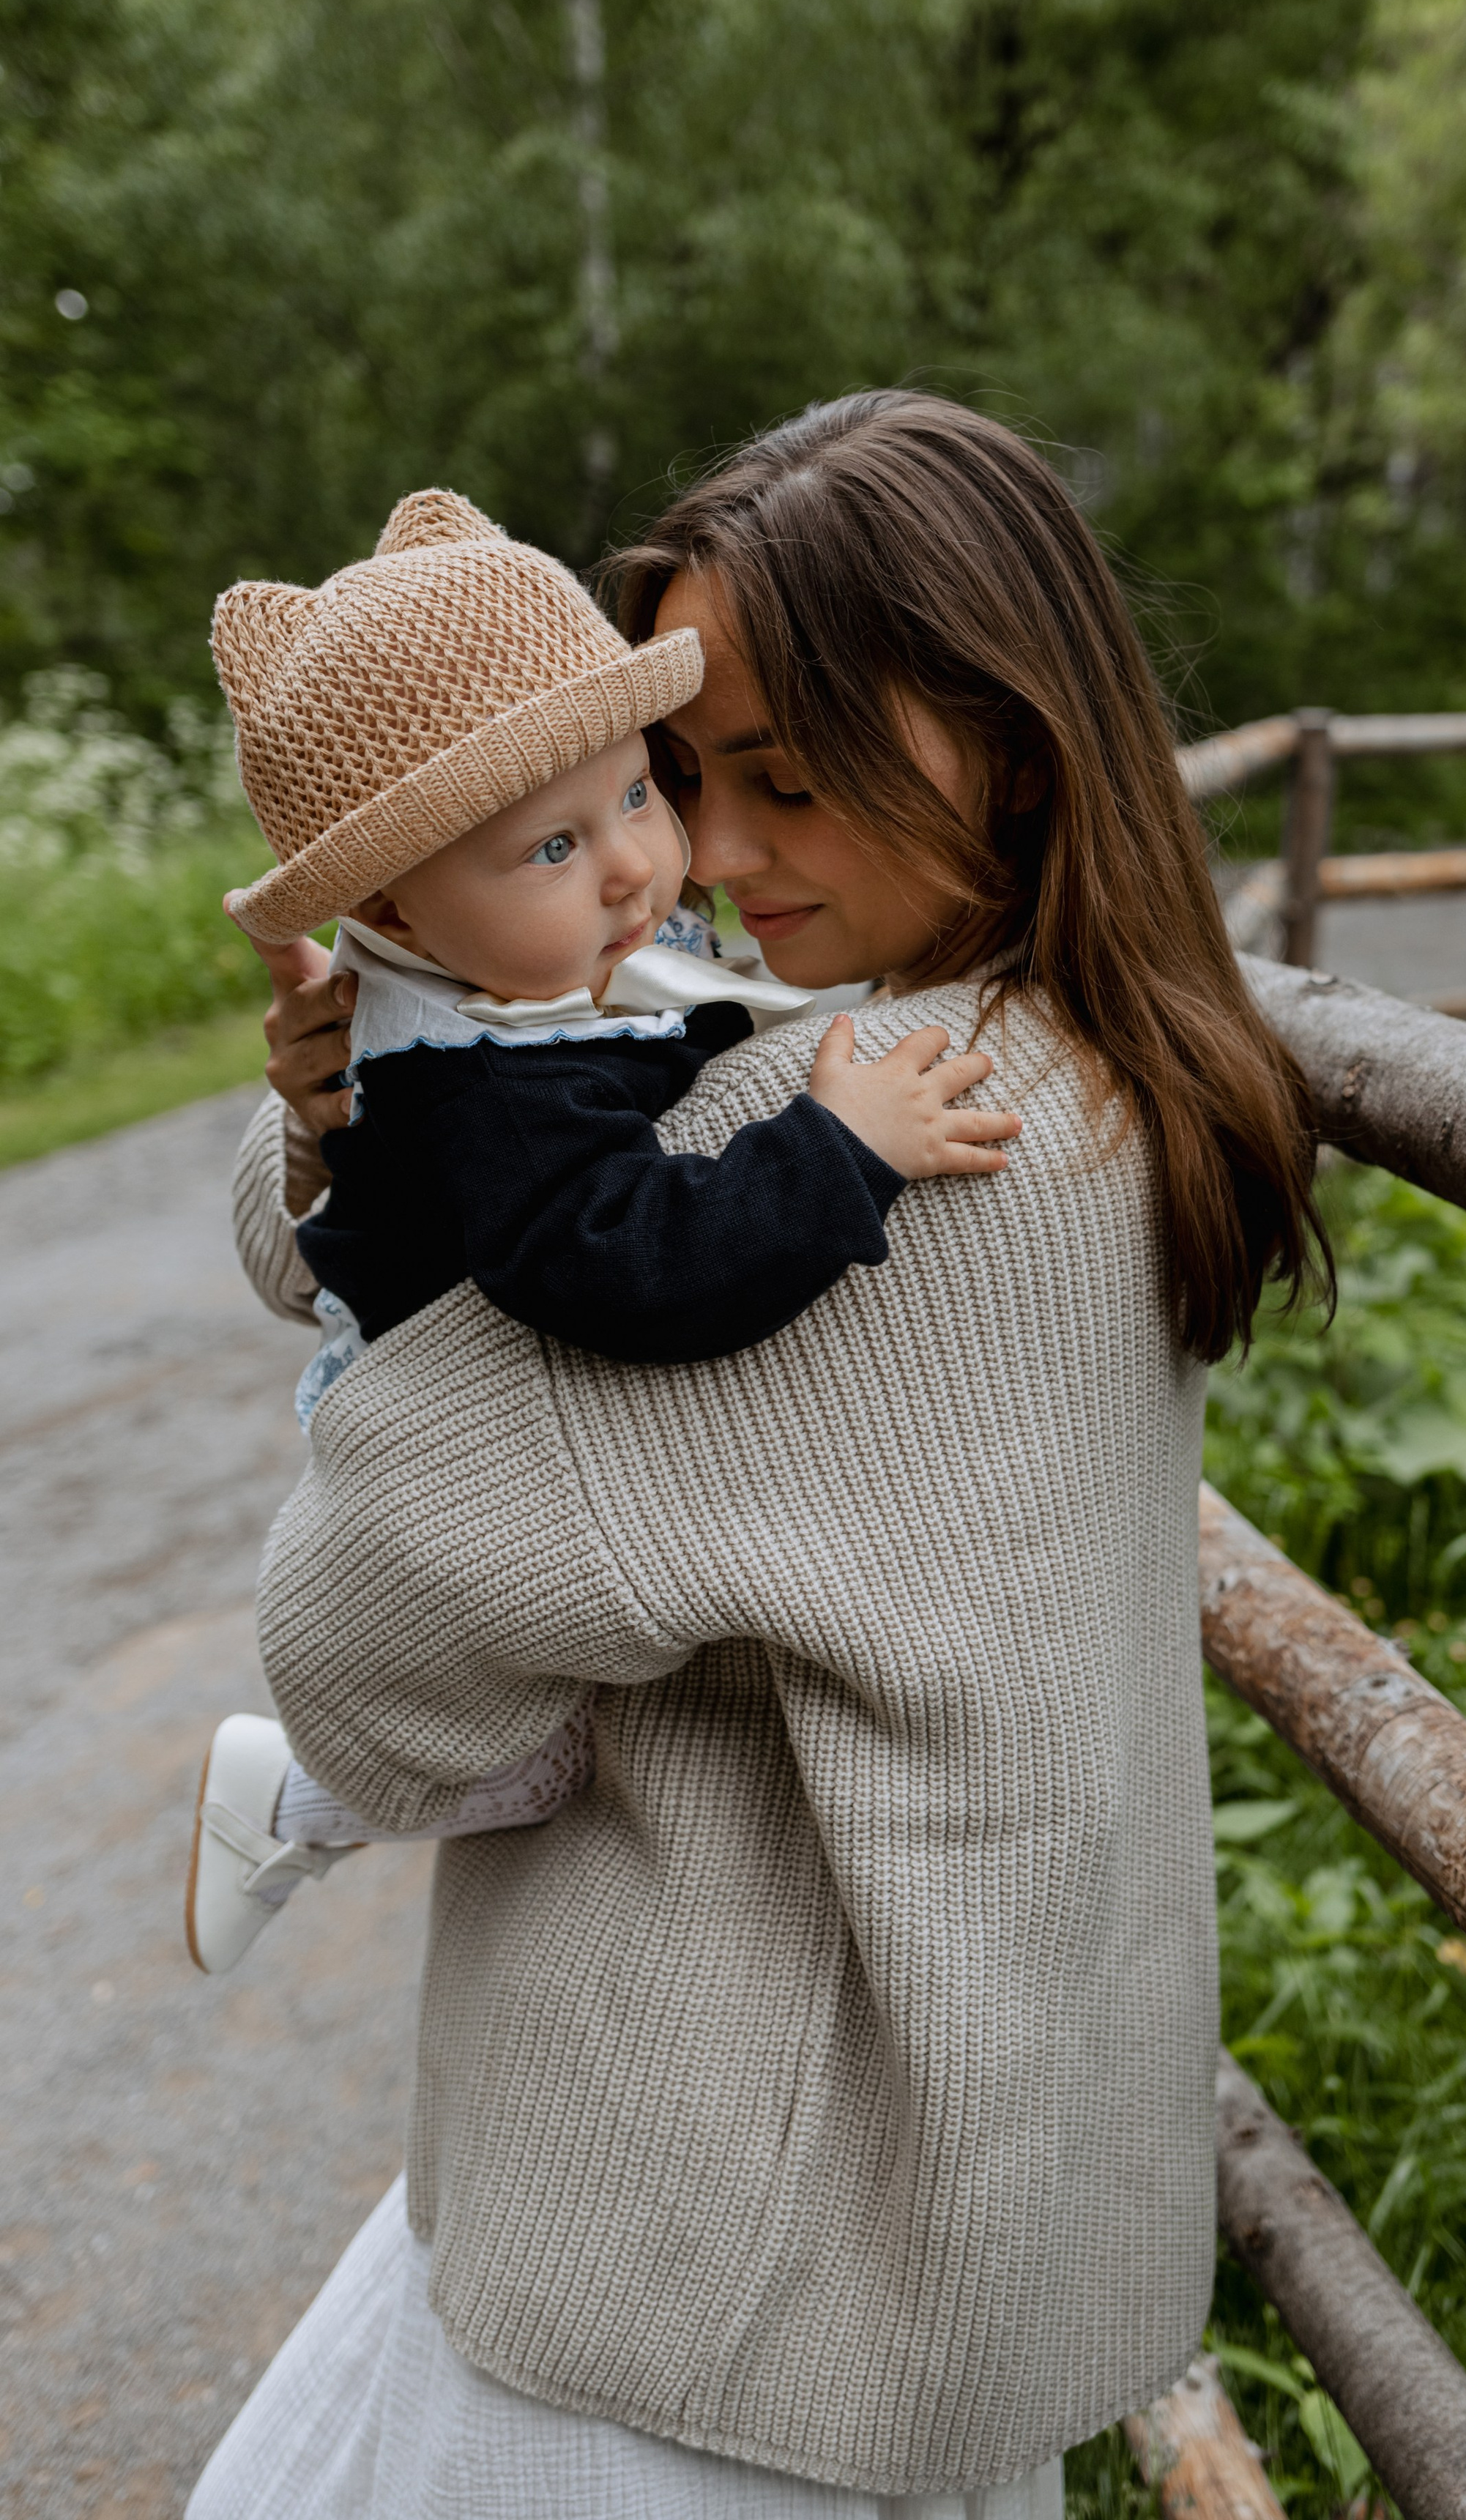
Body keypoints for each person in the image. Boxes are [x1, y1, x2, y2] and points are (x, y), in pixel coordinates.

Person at [188, 391, 1325, 2520]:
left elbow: (357, 1653)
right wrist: (358, 1079)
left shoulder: (899, 1143)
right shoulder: (1092, 1059)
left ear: (1006, 733)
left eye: (788, 785)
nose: (700, 861)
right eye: (682, 779)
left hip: (707, 2255)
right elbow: (315, 1229)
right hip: (904, 2224)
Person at [184, 485, 1014, 1979]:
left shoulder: (495, 986)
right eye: (551, 849)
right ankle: (298, 1792)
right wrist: (841, 1147)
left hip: (441, 1414)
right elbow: (635, 1258)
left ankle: (304, 1797)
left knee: (560, 1771)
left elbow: (646, 1047)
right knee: (534, 1762)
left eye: (638, 793)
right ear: (400, 916)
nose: (637, 865)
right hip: (428, 1471)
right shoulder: (479, 1092)